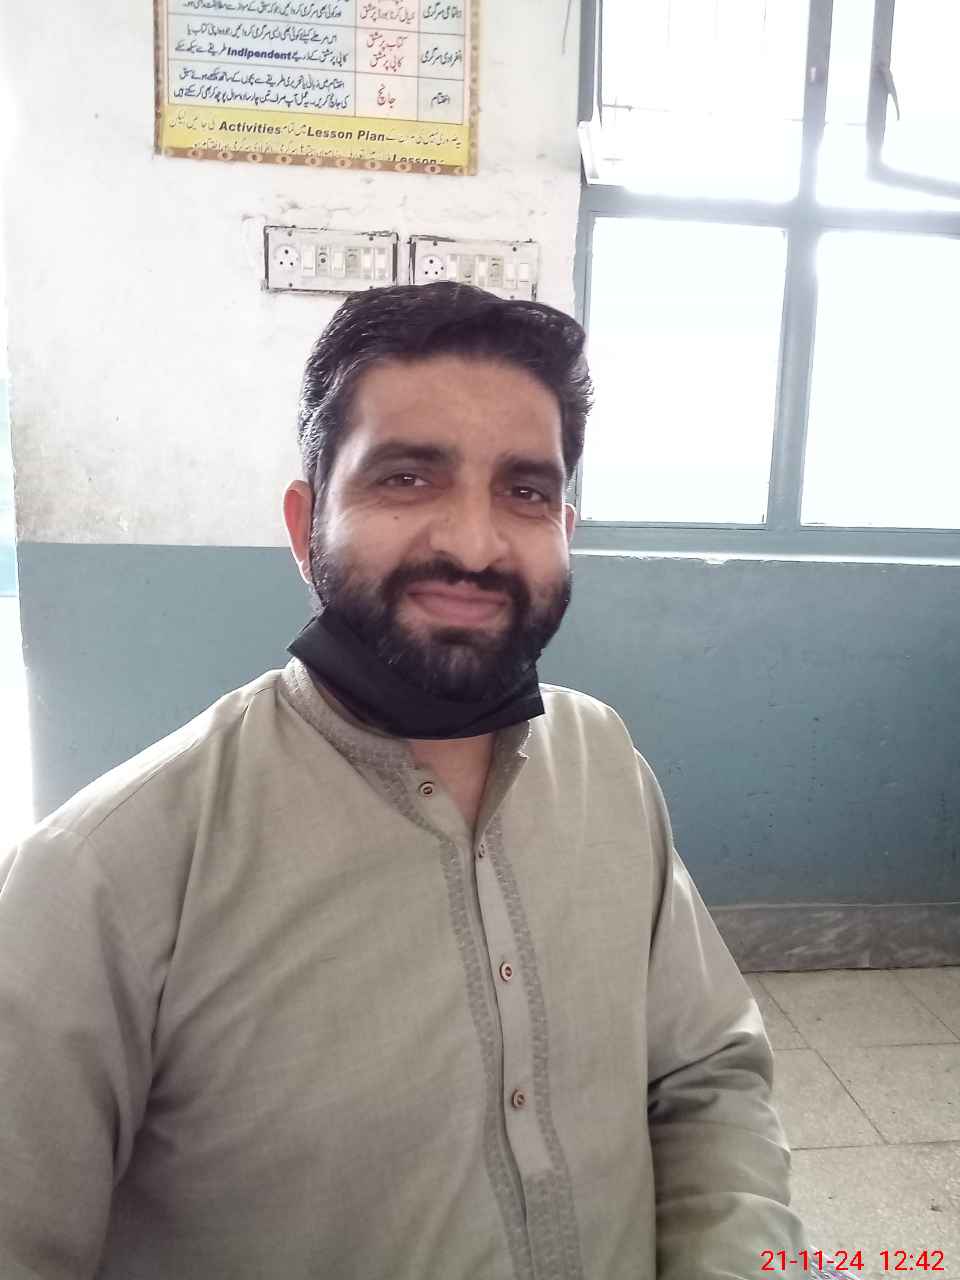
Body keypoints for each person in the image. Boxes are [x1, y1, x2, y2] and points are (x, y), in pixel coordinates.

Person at [0, 282, 808, 1279]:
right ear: (306, 525)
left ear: (566, 526)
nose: (473, 544)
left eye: (525, 492)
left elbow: (708, 1076)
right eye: (408, 477)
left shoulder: (605, 766)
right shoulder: (103, 874)